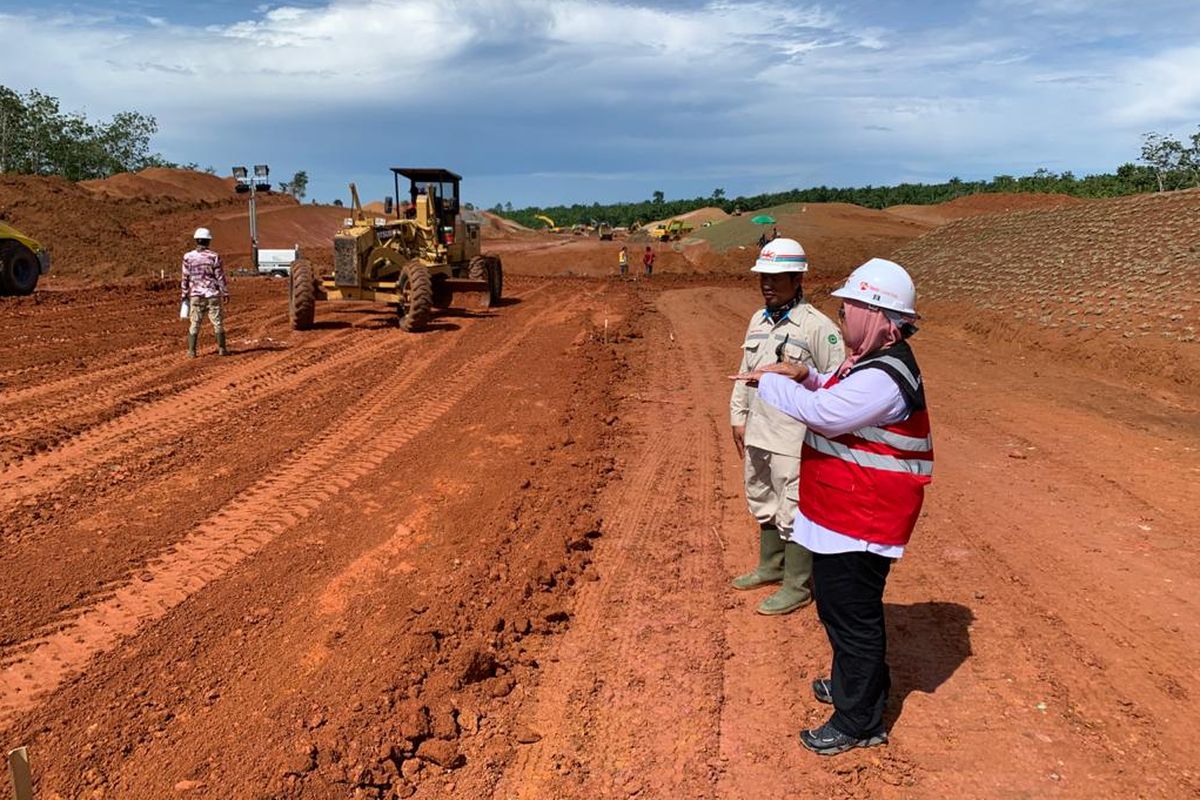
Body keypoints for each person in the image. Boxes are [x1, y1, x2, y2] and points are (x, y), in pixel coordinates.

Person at [748, 257, 932, 755]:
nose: (844, 314)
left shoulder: (884, 377)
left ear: (877, 315)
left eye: (851, 306)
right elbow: (830, 389)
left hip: (864, 520)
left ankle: (858, 720)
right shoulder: (873, 361)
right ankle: (860, 684)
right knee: (839, 609)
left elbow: (827, 414)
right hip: (846, 513)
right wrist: (804, 373)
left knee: (852, 616)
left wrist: (772, 383)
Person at [729, 238, 845, 615]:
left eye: (777, 278)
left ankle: (796, 585)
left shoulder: (817, 328)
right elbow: (744, 373)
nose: (767, 284)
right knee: (762, 496)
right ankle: (770, 567)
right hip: (759, 429)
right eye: (764, 276)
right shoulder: (757, 321)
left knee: (794, 507)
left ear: (797, 279)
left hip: (795, 438)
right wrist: (738, 416)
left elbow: (836, 381)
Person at [181, 227, 230, 358]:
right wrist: (225, 292)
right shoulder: (214, 257)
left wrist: (184, 294)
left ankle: (192, 351)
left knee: (195, 323)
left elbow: (185, 277)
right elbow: (220, 276)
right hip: (212, 294)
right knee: (217, 322)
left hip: (196, 295)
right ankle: (222, 348)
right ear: (208, 241)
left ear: (196, 240)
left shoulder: (188, 257)